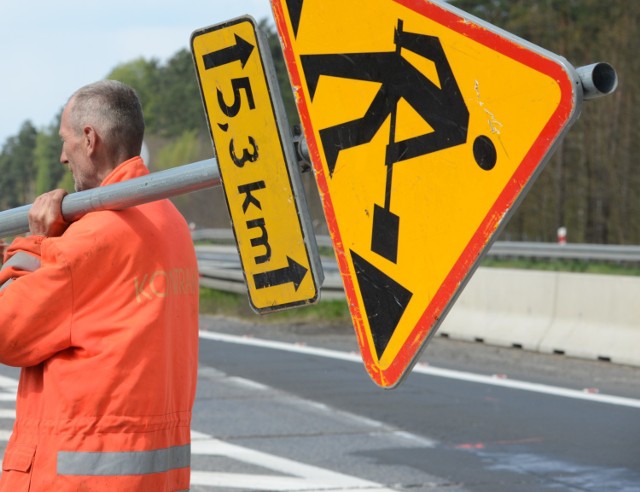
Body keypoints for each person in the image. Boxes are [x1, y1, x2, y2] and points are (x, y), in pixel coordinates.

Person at [0, 80, 199, 491]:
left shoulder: (93, 238)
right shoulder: (170, 222)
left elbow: (7, 331)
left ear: (90, 139)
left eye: (65, 141)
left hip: (78, 479)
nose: (61, 156)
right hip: (155, 479)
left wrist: (38, 243)